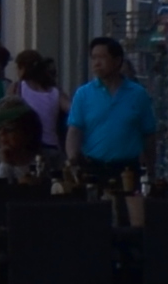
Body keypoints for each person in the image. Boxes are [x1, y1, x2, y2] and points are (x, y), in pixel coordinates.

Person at [68, 34, 159, 189]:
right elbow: (75, 131)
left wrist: (150, 169)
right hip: (94, 168)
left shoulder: (137, 94)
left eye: (102, 57)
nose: (97, 63)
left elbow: (149, 134)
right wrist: (73, 161)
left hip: (128, 169)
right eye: (94, 58)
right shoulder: (83, 94)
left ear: (117, 61)